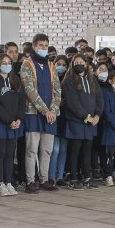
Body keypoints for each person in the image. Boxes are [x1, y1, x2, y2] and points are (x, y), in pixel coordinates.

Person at [19, 33, 62, 193]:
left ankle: (44, 179)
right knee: (31, 149)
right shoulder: (27, 64)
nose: (43, 48)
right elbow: (29, 90)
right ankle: (30, 181)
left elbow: (57, 90)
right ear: (34, 46)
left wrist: (53, 110)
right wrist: (45, 110)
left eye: (46, 45)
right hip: (33, 114)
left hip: (50, 115)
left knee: (47, 150)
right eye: (40, 45)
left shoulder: (51, 65)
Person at [0, 53, 26, 196]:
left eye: (9, 63)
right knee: (0, 153)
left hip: (14, 124)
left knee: (9, 154)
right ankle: (0, 183)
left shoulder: (16, 80)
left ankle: (8, 182)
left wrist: (19, 119)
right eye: (4, 63)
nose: (7, 65)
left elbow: (22, 102)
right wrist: (9, 120)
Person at [61, 54, 103, 190]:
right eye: (76, 62)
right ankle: (73, 178)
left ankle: (87, 177)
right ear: (72, 65)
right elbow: (72, 103)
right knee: (74, 151)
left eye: (81, 62)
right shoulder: (68, 81)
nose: (79, 64)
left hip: (91, 122)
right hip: (76, 121)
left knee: (87, 151)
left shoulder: (92, 79)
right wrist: (86, 117)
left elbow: (99, 98)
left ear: (86, 64)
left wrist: (97, 115)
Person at [47, 55, 69, 186]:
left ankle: (60, 176)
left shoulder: (69, 80)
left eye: (64, 65)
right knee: (54, 150)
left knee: (63, 150)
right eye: (58, 64)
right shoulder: (50, 78)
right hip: (54, 116)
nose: (61, 67)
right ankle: (51, 176)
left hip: (65, 118)